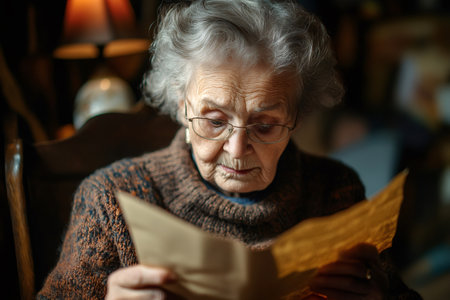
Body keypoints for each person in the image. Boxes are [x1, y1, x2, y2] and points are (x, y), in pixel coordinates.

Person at [38, 0, 422, 299]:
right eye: (215, 121)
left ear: (298, 118)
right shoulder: (111, 200)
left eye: (265, 125)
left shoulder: (336, 191)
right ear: (179, 104)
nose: (237, 150)